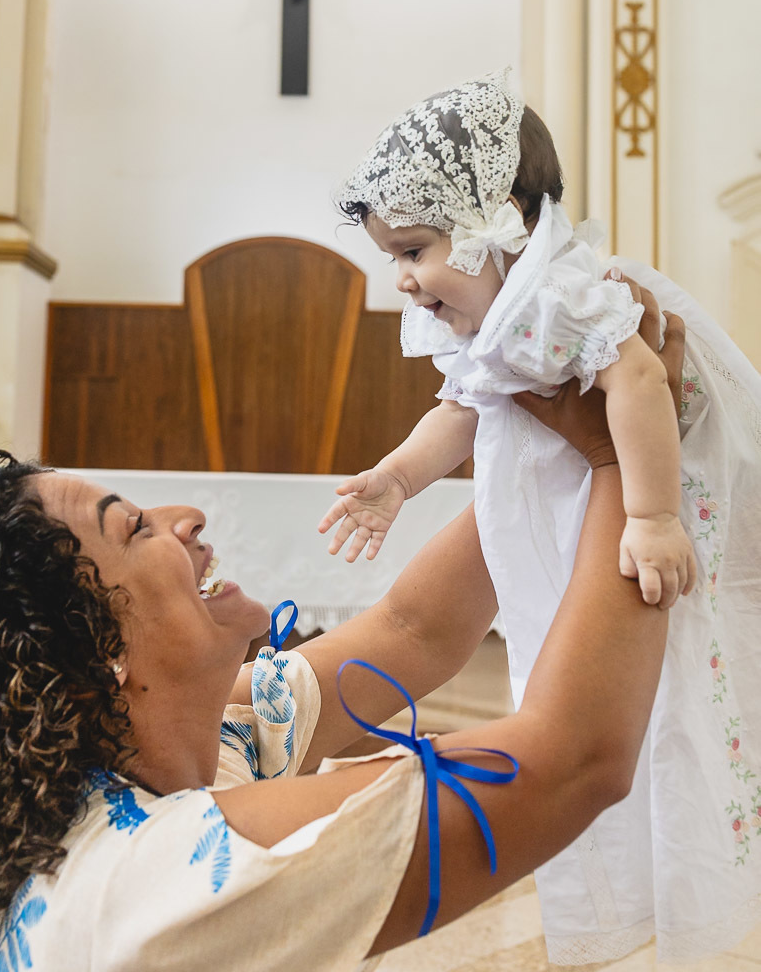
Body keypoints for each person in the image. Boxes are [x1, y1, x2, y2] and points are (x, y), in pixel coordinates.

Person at [0, 290, 678, 972]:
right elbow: (572, 759)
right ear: (100, 653)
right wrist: (623, 462)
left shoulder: (196, 737)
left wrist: (555, 435)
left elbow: (414, 631)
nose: (186, 518)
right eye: (137, 529)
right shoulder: (168, 882)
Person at [319, 70, 761, 964]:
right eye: (393, 257)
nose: (402, 279)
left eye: (414, 249)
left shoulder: (563, 294)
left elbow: (641, 379)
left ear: (503, 218)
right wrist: (398, 478)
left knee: (678, 666)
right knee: (579, 668)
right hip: (588, 490)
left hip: (665, 476)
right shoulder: (496, 313)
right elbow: (461, 408)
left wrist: (651, 516)